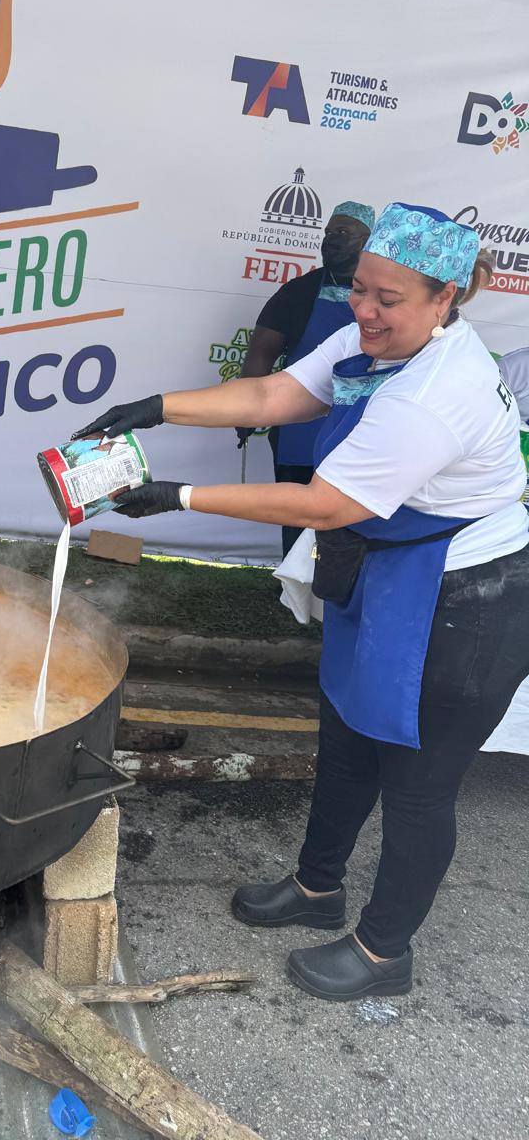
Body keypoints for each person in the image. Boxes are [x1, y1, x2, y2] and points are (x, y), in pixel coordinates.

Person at [74, 203, 529, 1002]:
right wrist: (155, 409)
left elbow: (322, 506)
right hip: (388, 574)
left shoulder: (439, 389)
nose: (365, 311)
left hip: (469, 598)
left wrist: (175, 494)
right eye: (360, 290)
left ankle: (387, 953)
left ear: (445, 299)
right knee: (349, 738)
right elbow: (272, 397)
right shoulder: (372, 341)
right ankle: (319, 888)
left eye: (389, 298)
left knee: (419, 784)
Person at [236, 200, 375, 555]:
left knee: (353, 514)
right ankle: (293, 589)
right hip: (300, 425)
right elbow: (262, 351)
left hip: (364, 424)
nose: (331, 240)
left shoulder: (385, 296)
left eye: (342, 232)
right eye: (328, 232)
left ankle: (338, 592)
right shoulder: (298, 292)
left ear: (367, 240)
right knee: (297, 511)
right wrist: (244, 411)